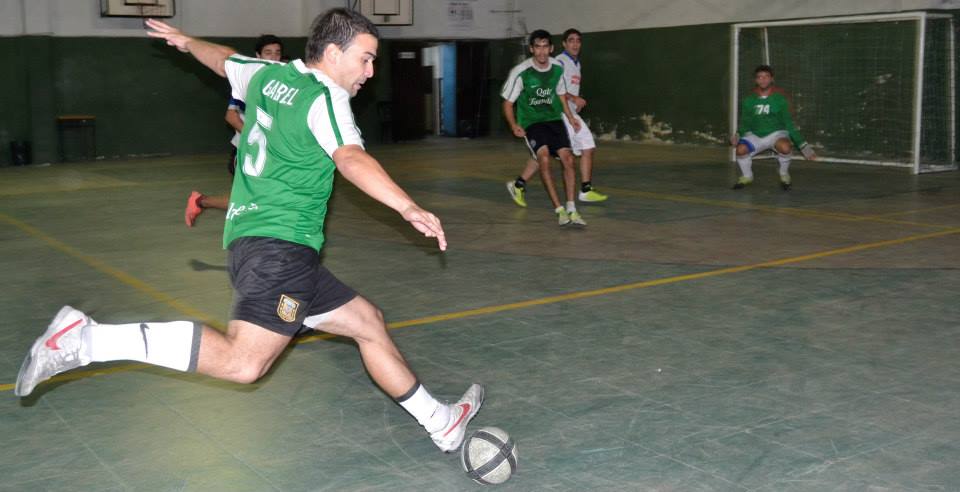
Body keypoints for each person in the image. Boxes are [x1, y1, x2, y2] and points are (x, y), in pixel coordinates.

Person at [16, 9, 483, 454]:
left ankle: (440, 421)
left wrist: (186, 42)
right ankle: (86, 340)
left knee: (367, 323)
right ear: (333, 53)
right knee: (244, 363)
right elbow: (350, 157)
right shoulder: (325, 97)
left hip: (255, 242)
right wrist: (406, 205)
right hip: (282, 249)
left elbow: (222, 59)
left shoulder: (265, 74)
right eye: (365, 58)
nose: (369, 71)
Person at [185, 34, 285, 227]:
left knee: (264, 198)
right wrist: (256, 138)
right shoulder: (248, 82)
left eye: (277, 53)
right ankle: (201, 201)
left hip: (272, 152)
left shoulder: (284, 82)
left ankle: (202, 201)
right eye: (268, 53)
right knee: (249, 201)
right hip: (246, 150)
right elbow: (231, 117)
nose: (273, 57)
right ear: (258, 56)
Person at [506, 28, 607, 209]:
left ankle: (519, 184)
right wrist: (573, 100)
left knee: (544, 154)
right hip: (557, 113)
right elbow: (557, 89)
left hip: (567, 113)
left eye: (578, 40)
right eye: (571, 40)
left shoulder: (575, 63)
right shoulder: (559, 62)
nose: (575, 44)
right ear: (563, 44)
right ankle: (585, 189)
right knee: (584, 146)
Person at [501, 29, 585, 226]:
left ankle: (572, 209)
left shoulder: (557, 68)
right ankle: (560, 210)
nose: (541, 51)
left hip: (554, 119)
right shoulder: (521, 72)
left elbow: (561, 95)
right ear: (531, 49)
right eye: (537, 47)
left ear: (551, 48)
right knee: (544, 158)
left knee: (568, 159)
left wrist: (571, 117)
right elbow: (507, 103)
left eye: (545, 47)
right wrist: (514, 125)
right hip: (531, 122)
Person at [731, 64, 816, 191]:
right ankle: (747, 176)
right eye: (759, 77)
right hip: (755, 135)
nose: (763, 80)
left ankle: (784, 174)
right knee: (740, 150)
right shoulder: (749, 100)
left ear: (772, 79)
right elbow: (745, 122)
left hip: (776, 134)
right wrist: (738, 134)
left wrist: (803, 146)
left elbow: (789, 124)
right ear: (756, 80)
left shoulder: (781, 99)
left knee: (785, 147)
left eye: (766, 77)